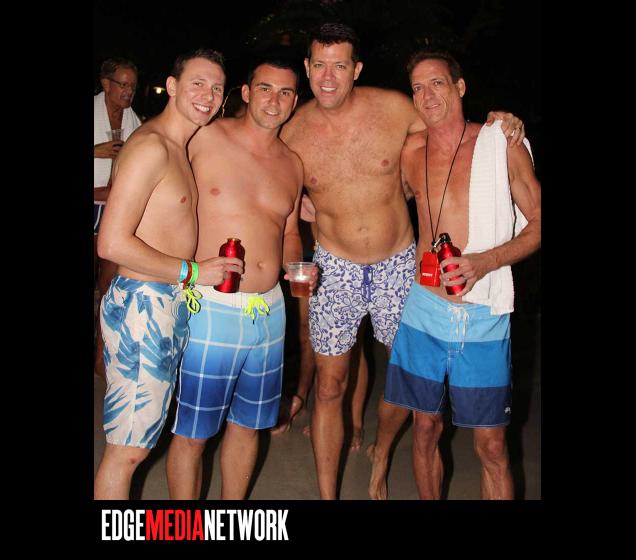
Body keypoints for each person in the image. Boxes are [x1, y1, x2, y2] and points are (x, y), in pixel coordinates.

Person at [279, 22, 526, 500]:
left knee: (407, 384)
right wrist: (295, 217)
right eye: (319, 66)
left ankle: (384, 451)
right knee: (329, 386)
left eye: (339, 66)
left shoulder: (395, 109)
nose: (328, 77)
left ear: (356, 69)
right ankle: (328, 495)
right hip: (334, 265)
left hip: (398, 263)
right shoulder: (292, 132)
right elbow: (271, 184)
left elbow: (449, 125)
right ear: (307, 68)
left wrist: (500, 121)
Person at [384, 49, 541, 499]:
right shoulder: (411, 151)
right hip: (424, 307)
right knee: (424, 429)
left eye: (437, 83)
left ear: (460, 87)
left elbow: (538, 223)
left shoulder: (500, 144)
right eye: (417, 87)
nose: (427, 95)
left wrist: (485, 262)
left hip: (483, 311)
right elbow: (376, 198)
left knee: (491, 446)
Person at [94, 49, 244, 500]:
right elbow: (111, 243)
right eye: (197, 83)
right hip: (142, 304)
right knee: (128, 450)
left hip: (165, 301)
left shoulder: (179, 147)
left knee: (137, 441)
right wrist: (193, 271)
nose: (208, 95)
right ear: (173, 86)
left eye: (216, 88)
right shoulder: (151, 147)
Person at [166, 57, 315, 500]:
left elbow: (289, 232)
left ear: (294, 102)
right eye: (265, 89)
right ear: (246, 93)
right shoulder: (205, 137)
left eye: (286, 92)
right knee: (193, 433)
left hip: (269, 312)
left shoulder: (292, 164)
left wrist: (297, 270)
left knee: (249, 427)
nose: (274, 100)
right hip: (209, 306)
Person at [94, 58, 142, 379]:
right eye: (123, 84)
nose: (128, 92)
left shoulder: (133, 120)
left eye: (132, 86)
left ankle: (101, 354)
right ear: (106, 84)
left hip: (114, 208)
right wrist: (95, 151)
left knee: (109, 283)